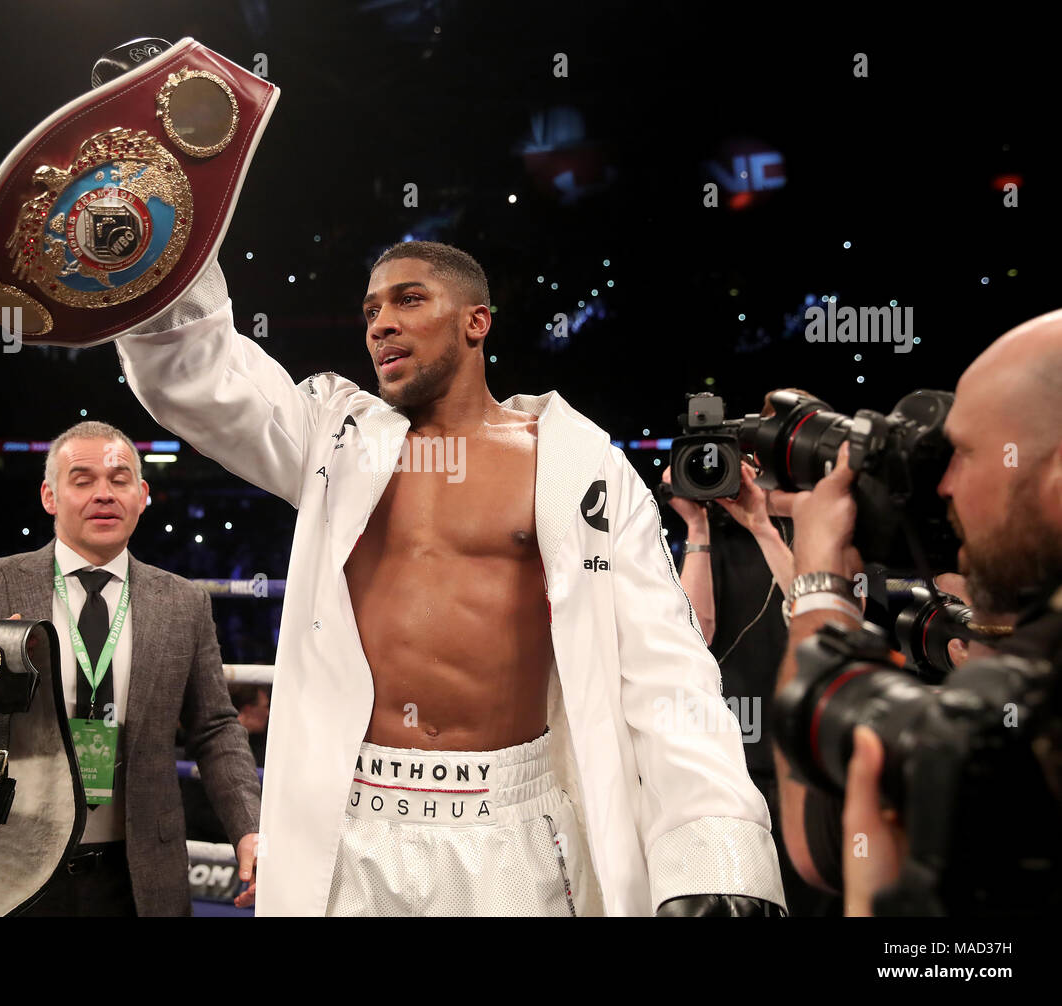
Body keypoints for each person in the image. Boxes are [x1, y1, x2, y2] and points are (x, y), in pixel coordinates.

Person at [115, 241, 785, 916]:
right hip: (354, 822)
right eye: (371, 308)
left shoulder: (581, 467)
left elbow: (665, 665)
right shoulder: (332, 439)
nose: (380, 323)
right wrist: (157, 237)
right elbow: (199, 376)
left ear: (476, 321)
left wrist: (716, 854)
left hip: (515, 825)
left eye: (409, 299)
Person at [0, 421, 262, 915]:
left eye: (119, 479)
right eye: (82, 480)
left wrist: (249, 828)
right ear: (50, 496)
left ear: (142, 495)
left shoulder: (182, 602)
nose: (104, 494)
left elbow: (213, 727)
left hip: (137, 876)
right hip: (9, 868)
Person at [772, 309, 1062, 913]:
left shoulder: (1007, 719)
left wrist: (821, 578)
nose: (946, 487)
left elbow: (820, 847)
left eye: (964, 455)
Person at [662, 390, 839, 916]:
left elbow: (820, 616)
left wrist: (762, 526)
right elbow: (697, 634)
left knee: (814, 895)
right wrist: (696, 527)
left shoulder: (825, 526)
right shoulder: (712, 528)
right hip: (737, 756)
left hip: (806, 746)